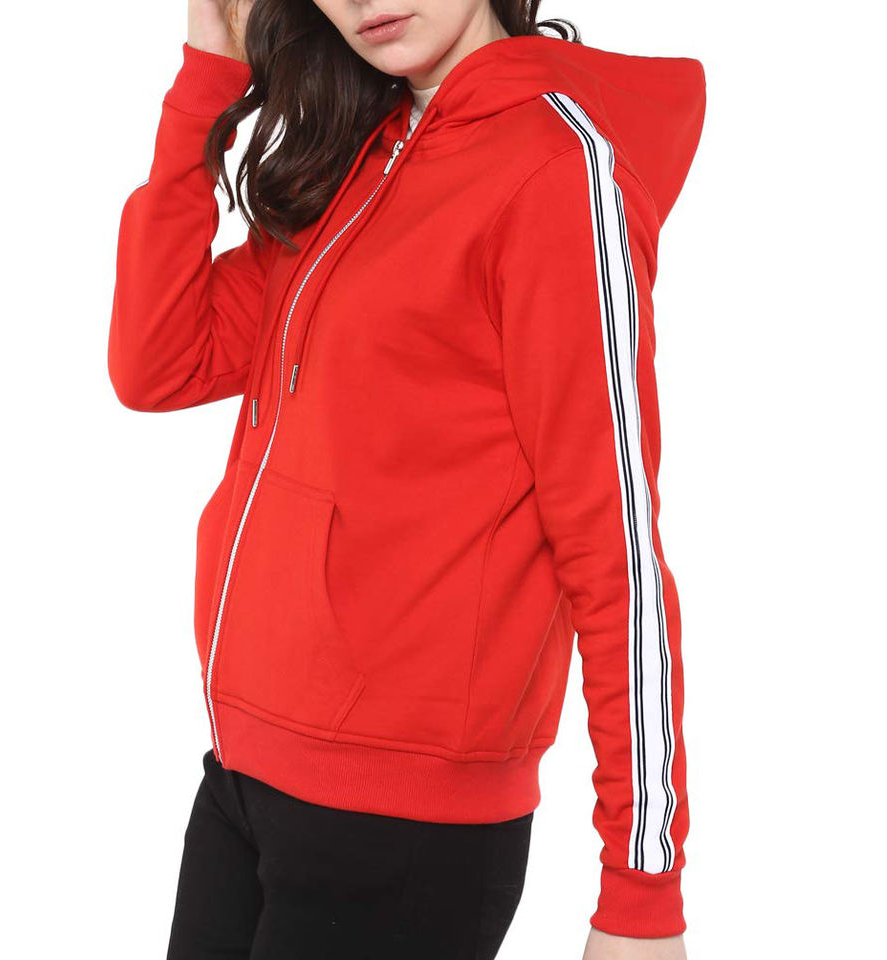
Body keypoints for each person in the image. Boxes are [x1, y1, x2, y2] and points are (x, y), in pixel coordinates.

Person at [108, 1, 705, 957]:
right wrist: (208, 74)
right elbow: (159, 358)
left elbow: (615, 544)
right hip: (244, 777)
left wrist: (642, 891)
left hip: (404, 830)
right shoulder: (360, 154)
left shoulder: (553, 172)